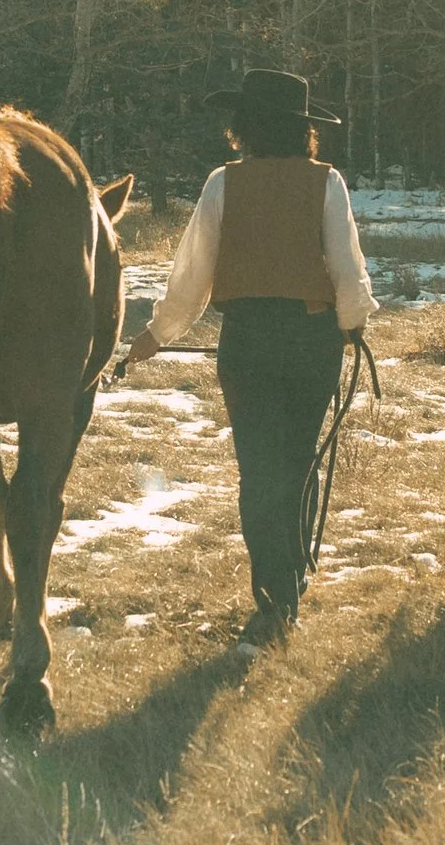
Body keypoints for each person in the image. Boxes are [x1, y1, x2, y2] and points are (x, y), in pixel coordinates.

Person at [128, 67, 375, 648]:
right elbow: (347, 268)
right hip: (312, 338)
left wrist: (156, 335)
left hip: (247, 340)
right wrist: (350, 327)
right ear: (303, 130)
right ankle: (288, 585)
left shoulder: (222, 184)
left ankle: (273, 595)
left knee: (259, 469)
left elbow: (191, 275)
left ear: (245, 126)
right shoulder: (326, 182)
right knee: (299, 460)